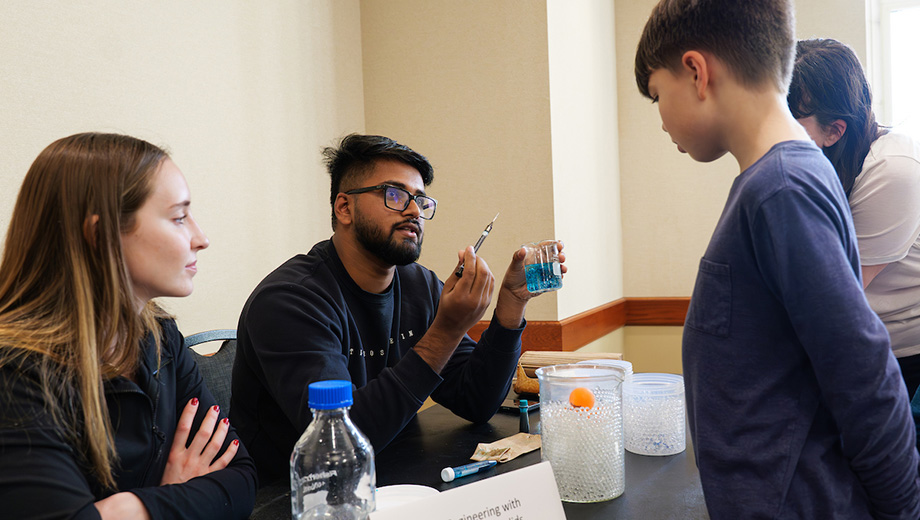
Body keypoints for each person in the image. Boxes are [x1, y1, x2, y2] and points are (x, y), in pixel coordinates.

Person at [635, 1, 920, 518]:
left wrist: (903, 512)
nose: (660, 120)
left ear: (697, 72)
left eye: (657, 94)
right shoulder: (778, 180)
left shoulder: (783, 187)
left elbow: (865, 376)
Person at [231, 133, 564, 483]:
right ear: (344, 208)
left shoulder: (418, 285)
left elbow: (476, 402)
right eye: (395, 195)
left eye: (421, 201)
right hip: (295, 495)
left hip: (391, 471)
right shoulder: (290, 300)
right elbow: (340, 442)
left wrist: (512, 304)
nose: (414, 211)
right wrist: (445, 331)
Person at [0, 133, 257, 519]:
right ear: (100, 235)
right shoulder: (15, 375)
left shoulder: (159, 336)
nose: (201, 239)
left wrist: (130, 507)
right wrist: (175, 497)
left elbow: (241, 478)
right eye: (179, 217)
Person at [788, 38, 920, 397]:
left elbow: (838, 294)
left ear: (834, 130)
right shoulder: (815, 166)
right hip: (855, 343)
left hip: (903, 353)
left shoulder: (893, 169)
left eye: (791, 120)